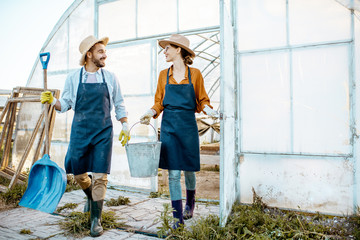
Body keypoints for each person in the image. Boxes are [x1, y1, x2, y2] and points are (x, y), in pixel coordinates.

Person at [40, 35, 129, 237]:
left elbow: (119, 103)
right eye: (100, 51)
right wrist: (53, 101)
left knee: (100, 176)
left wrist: (124, 125)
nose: (105, 55)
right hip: (80, 130)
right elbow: (66, 104)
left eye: (104, 51)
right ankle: (91, 197)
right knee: (79, 173)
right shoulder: (73, 77)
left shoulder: (110, 77)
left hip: (103, 131)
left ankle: (96, 219)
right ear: (89, 54)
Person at [140, 34, 218, 228]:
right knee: (173, 174)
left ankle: (190, 203)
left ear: (178, 50)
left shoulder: (196, 74)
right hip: (169, 128)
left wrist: (210, 110)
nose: (164, 52)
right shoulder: (163, 75)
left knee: (189, 169)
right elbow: (159, 102)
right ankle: (177, 218)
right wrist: (150, 113)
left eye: (167, 48)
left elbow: (202, 100)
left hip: (188, 126)